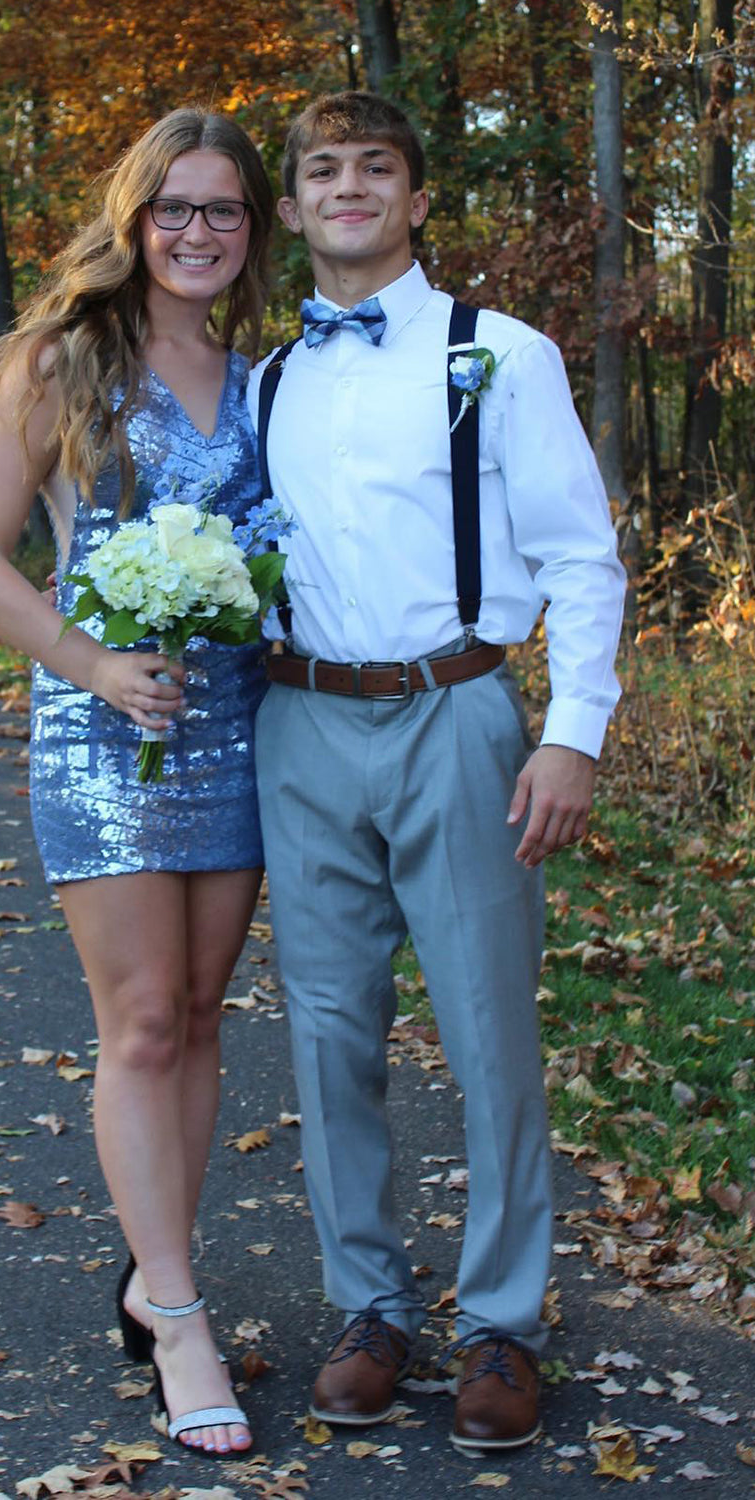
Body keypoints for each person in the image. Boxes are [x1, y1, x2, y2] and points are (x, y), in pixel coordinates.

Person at [248, 92, 625, 1453]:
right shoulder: (268, 378)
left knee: (488, 1033)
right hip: (298, 727)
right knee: (330, 1035)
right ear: (288, 209)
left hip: (458, 714)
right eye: (321, 170)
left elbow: (581, 554)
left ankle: (504, 1323)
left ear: (415, 201)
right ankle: (367, 1308)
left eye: (378, 168)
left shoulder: (500, 354)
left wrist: (574, 728)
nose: (348, 187)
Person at [0, 109, 275, 1457]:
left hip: (240, 721)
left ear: (254, 231)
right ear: (135, 218)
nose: (198, 232)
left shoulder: (268, 375)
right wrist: (95, 664)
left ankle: (155, 1272)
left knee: (201, 1012)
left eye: (225, 211)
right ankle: (182, 1321)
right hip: (104, 726)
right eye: (175, 208)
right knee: (140, 1020)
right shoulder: (63, 360)